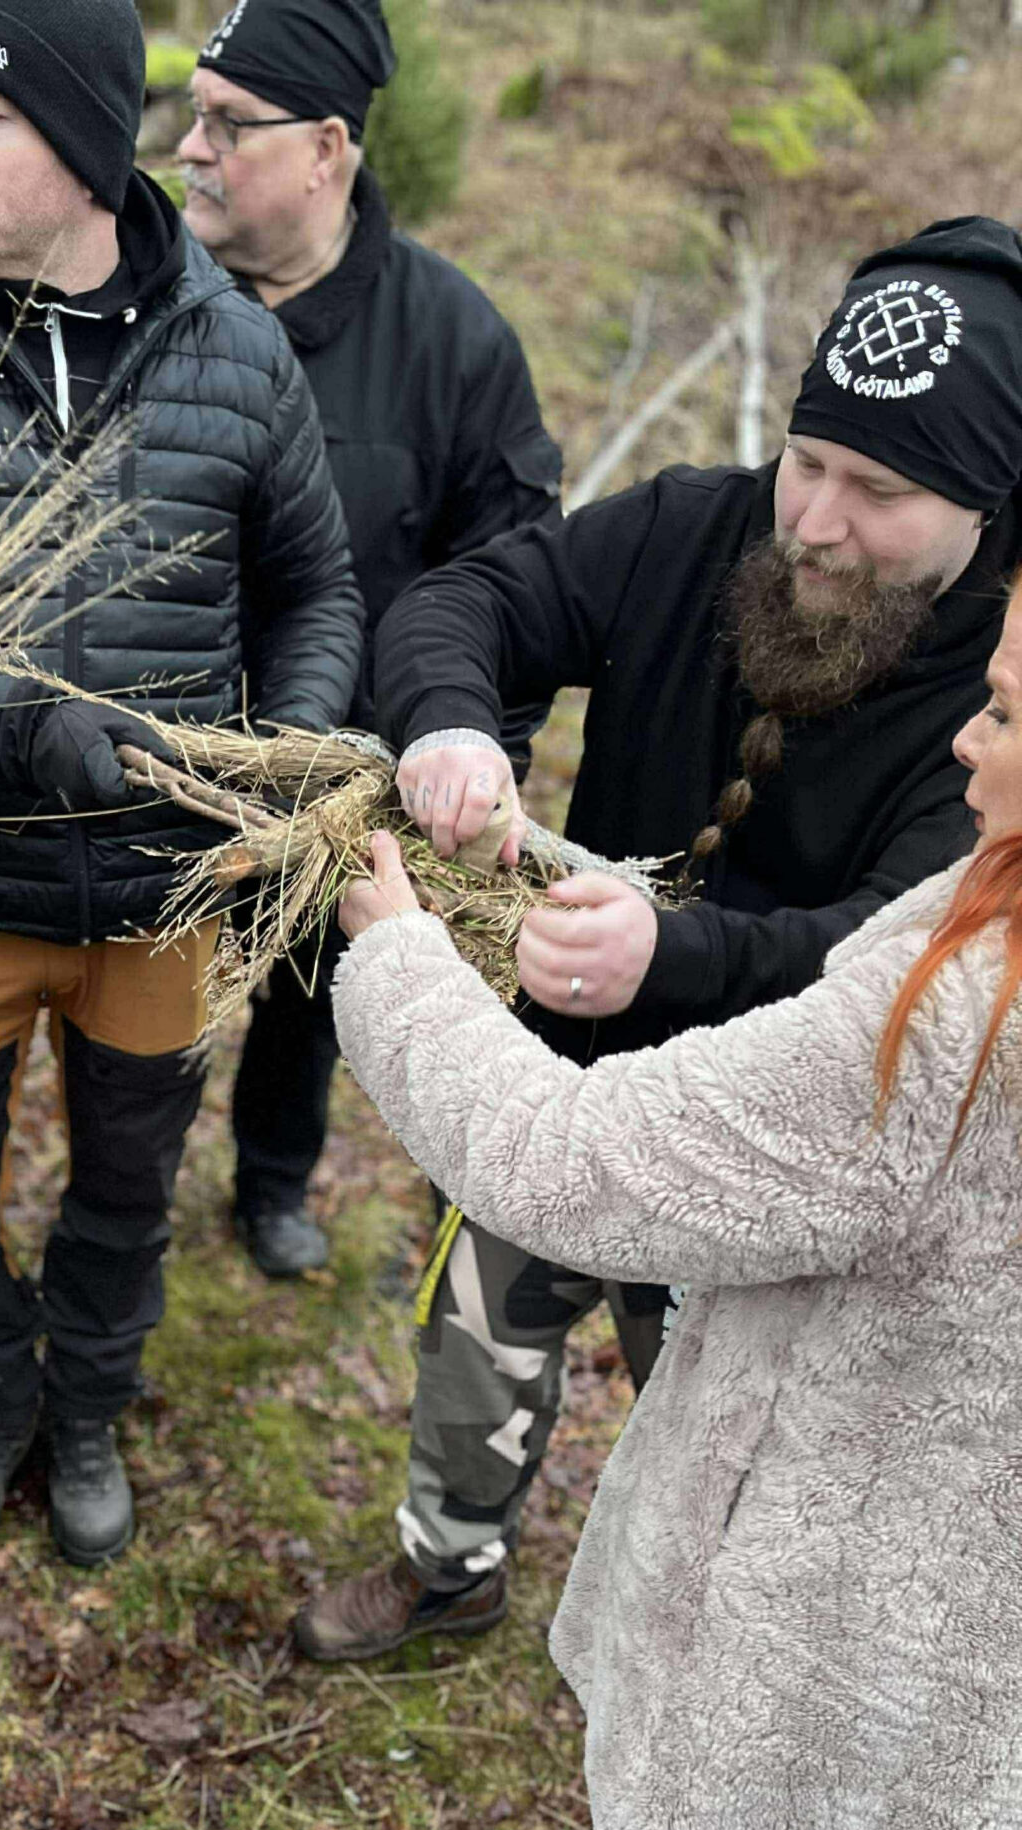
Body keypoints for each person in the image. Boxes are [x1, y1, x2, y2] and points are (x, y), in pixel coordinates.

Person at [326, 553, 1022, 1830]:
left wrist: (402, 961)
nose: (967, 745)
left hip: (840, 1579)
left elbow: (571, 1163)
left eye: (1008, 716)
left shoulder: (961, 1020)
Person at [294, 216, 1022, 1663]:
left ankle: (675, 1667)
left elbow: (901, 953)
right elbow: (469, 600)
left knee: (710, 1425)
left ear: (989, 499)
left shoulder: (1004, 696)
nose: (816, 524)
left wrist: (669, 961)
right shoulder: (701, 527)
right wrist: (451, 726)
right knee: (477, 1328)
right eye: (809, 462)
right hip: (553, 1084)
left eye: (880, 491)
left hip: (773, 1146)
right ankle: (451, 1560)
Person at [0, 0, 364, 1569]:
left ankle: (89, 1411)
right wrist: (17, 727)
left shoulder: (236, 350)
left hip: (162, 895)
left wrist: (284, 765)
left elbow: (315, 589)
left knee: (125, 1189)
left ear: (88, 146)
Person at [177, 0, 561, 1278]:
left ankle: (272, 1182)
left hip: (340, 775)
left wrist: (469, 759)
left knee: (306, 1003)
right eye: (192, 115)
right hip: (155, 762)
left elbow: (514, 579)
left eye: (229, 125)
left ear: (327, 149)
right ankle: (123, 1193)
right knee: (137, 1010)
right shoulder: (147, 305)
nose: (190, 149)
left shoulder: (452, 342)